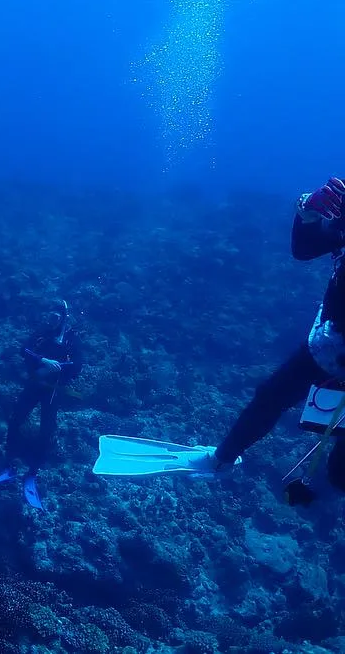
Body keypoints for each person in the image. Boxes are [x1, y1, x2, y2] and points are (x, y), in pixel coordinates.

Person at [91, 177, 345, 502]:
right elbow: (304, 249)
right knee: (269, 396)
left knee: (339, 474)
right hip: (330, 342)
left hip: (332, 343)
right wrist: (309, 212)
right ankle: (221, 459)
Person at [0, 298, 82, 508]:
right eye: (49, 316)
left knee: (46, 429)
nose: (51, 320)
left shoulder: (71, 338)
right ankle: (8, 463)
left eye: (55, 317)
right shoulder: (42, 332)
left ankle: (32, 472)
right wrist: (43, 361)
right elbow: (24, 350)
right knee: (16, 418)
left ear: (63, 318)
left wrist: (60, 367)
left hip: (53, 391)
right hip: (35, 384)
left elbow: (78, 365)